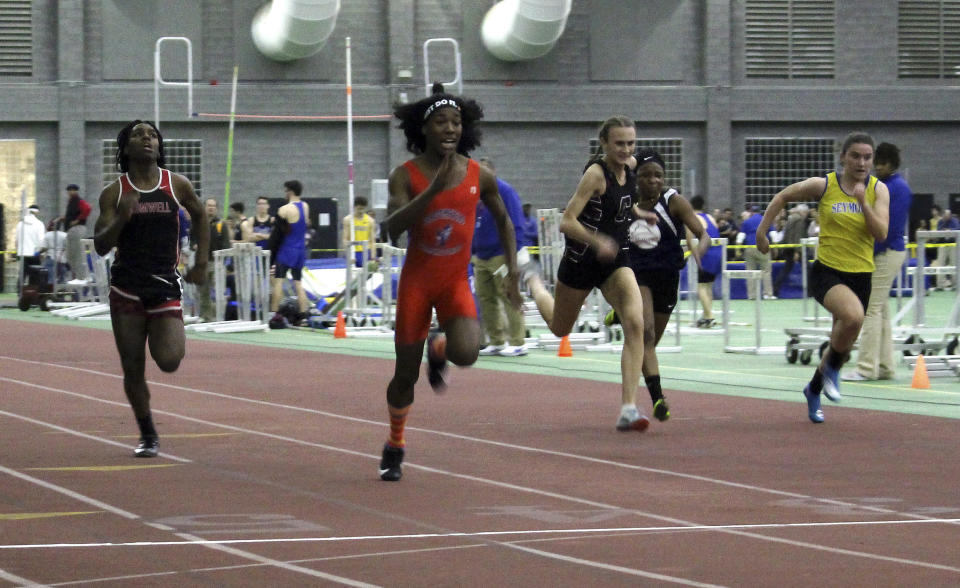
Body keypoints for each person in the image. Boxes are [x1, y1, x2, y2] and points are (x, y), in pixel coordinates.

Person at [378, 84, 522, 481]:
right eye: (440, 121)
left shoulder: (480, 175)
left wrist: (512, 271)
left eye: (456, 122)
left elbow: (505, 220)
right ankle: (395, 443)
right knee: (404, 377)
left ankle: (438, 346)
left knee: (468, 353)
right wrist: (435, 190)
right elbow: (391, 228)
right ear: (423, 130)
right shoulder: (404, 176)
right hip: (417, 285)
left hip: (456, 281)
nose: (450, 129)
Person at [523, 115, 657, 433]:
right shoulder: (596, 175)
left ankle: (628, 408)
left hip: (615, 261)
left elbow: (621, 205)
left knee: (636, 323)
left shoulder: (632, 168)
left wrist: (640, 214)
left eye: (630, 143)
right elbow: (567, 221)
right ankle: (532, 281)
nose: (626, 149)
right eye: (619, 144)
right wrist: (598, 241)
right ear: (605, 144)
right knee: (559, 328)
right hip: (582, 259)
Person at [93, 119, 208, 457]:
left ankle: (148, 427)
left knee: (170, 360)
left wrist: (202, 263)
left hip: (164, 285)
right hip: (127, 288)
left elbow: (201, 216)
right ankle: (148, 433)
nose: (147, 138)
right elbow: (100, 245)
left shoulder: (177, 184)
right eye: (138, 134)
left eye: (152, 135)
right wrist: (120, 218)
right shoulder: (114, 193)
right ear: (126, 148)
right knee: (133, 366)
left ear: (159, 146)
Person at [756, 132, 889, 423]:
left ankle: (814, 389)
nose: (861, 162)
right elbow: (783, 196)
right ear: (843, 157)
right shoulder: (824, 185)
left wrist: (863, 203)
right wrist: (761, 231)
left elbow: (880, 233)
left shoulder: (878, 191)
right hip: (828, 271)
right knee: (853, 318)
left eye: (867, 157)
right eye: (855, 156)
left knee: (841, 339)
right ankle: (831, 371)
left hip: (861, 274)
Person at [615, 149, 711, 421]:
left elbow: (704, 235)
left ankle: (619, 315)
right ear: (636, 178)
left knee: (649, 343)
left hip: (668, 277)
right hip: (636, 275)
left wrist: (699, 253)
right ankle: (658, 398)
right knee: (644, 334)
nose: (653, 180)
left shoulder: (674, 202)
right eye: (646, 175)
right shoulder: (627, 203)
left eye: (658, 175)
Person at [844, 142, 912, 381]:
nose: (878, 167)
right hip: (883, 250)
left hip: (886, 251)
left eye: (882, 163)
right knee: (880, 310)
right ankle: (884, 366)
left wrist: (867, 252)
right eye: (877, 163)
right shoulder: (886, 185)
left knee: (869, 310)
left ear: (892, 164)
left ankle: (865, 368)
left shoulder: (896, 188)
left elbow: (889, 228)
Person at [474, 157, 529, 357]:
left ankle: (518, 341)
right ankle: (497, 340)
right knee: (485, 297)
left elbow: (516, 222)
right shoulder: (475, 194)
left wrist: (513, 255)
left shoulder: (504, 191)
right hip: (481, 255)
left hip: (501, 254)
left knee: (509, 296)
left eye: (484, 172)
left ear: (492, 173)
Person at [270, 180, 310, 314]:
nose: (285, 194)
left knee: (278, 281)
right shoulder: (305, 206)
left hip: (287, 250)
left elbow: (277, 236)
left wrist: (271, 257)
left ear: (290, 191)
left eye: (286, 191)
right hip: (300, 251)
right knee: (298, 283)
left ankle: (274, 314)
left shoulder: (284, 209)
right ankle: (304, 315)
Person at [688, 195, 722, 328]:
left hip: (707, 253)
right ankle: (706, 315)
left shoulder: (694, 218)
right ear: (703, 206)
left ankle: (710, 317)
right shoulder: (711, 218)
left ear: (690, 206)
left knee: (701, 286)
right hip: (718, 253)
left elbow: (690, 237)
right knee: (708, 286)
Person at [196, 198, 231, 321]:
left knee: (218, 291)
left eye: (213, 206)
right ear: (204, 207)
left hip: (217, 263)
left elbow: (227, 245)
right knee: (203, 291)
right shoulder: (198, 223)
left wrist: (224, 262)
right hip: (202, 263)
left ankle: (219, 316)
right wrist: (193, 245)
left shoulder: (221, 225)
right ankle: (206, 316)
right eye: (209, 205)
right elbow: (192, 240)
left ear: (217, 209)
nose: (211, 208)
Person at [772, 203, 810, 298]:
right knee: (808, 269)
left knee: (786, 270)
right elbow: (798, 235)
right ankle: (811, 291)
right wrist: (798, 251)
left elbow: (787, 235)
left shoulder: (791, 218)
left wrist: (780, 246)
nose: (807, 215)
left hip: (789, 248)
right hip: (796, 249)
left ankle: (775, 288)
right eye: (806, 213)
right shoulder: (800, 220)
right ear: (803, 212)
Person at [739, 206, 776, 299]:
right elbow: (773, 234)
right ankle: (768, 294)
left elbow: (740, 236)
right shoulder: (766, 220)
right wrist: (775, 247)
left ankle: (752, 295)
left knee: (750, 271)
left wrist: (737, 249)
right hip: (763, 247)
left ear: (751, 212)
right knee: (766, 271)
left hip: (750, 247)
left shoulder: (746, 222)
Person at [60, 184, 92, 280]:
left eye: (72, 190)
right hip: (72, 230)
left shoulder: (79, 201)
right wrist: (65, 219)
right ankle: (76, 276)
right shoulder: (71, 202)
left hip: (77, 229)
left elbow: (87, 209)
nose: (70, 192)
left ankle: (81, 277)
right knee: (71, 255)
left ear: (76, 191)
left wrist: (77, 220)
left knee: (77, 254)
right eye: (69, 190)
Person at [341, 195, 377, 267]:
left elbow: (372, 241)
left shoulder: (370, 221)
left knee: (367, 275)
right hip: (353, 251)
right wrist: (349, 254)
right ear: (354, 207)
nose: (360, 211)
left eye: (363, 209)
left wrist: (373, 256)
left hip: (366, 251)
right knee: (353, 275)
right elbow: (345, 239)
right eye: (359, 208)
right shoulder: (347, 220)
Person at [933, 208, 960, 290]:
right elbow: (938, 230)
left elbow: (958, 229)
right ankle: (940, 285)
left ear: (951, 215)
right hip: (942, 245)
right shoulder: (941, 221)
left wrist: (950, 230)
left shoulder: (954, 221)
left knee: (954, 264)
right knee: (940, 264)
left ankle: (955, 285)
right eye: (946, 215)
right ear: (944, 215)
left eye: (949, 215)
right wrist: (943, 229)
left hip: (953, 245)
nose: (947, 216)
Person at [40, 219, 69, 286]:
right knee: (62, 279)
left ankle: (51, 294)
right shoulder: (65, 235)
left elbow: (44, 248)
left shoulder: (47, 235)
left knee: (50, 278)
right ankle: (61, 294)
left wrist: (38, 252)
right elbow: (67, 247)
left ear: (52, 226)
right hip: (62, 259)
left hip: (50, 258)